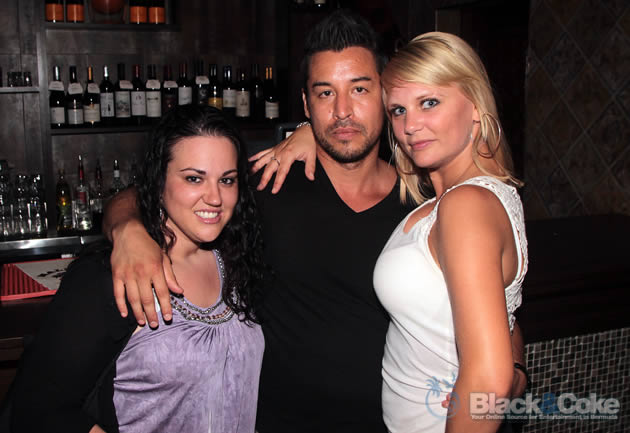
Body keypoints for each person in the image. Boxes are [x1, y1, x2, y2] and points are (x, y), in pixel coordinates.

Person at [102, 10, 527, 433]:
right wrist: (128, 230)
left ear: (384, 96)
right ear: (306, 105)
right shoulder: (267, 182)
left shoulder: (424, 205)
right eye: (325, 93)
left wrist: (513, 373)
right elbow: (156, 193)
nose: (342, 111)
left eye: (359, 89)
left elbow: (493, 312)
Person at [8, 105, 265, 432]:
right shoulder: (111, 275)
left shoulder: (239, 259)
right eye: (193, 178)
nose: (215, 197)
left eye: (226, 180)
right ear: (159, 180)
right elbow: (38, 408)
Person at [371, 32, 527, 432]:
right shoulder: (469, 198)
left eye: (429, 102)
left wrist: (504, 378)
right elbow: (503, 317)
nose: (410, 125)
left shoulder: (466, 205)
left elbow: (489, 379)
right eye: (398, 110)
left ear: (475, 106)